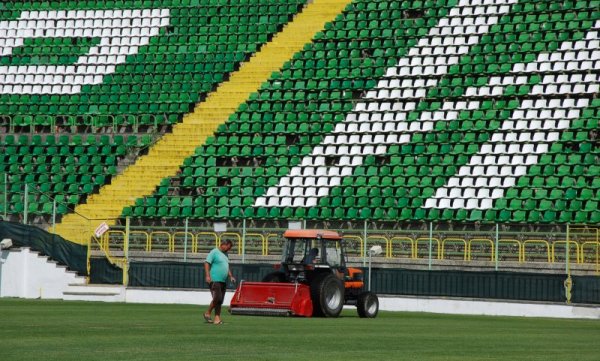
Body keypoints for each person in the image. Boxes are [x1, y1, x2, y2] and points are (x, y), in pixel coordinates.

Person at [203, 240, 236, 325]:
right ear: (223, 244)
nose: (229, 249)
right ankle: (208, 312)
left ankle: (217, 318)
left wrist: (230, 276)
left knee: (220, 300)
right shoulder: (214, 252)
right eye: (228, 247)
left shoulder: (226, 254)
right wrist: (207, 276)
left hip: (223, 280)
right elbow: (207, 263)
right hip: (215, 279)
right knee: (217, 298)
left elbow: (226, 266)